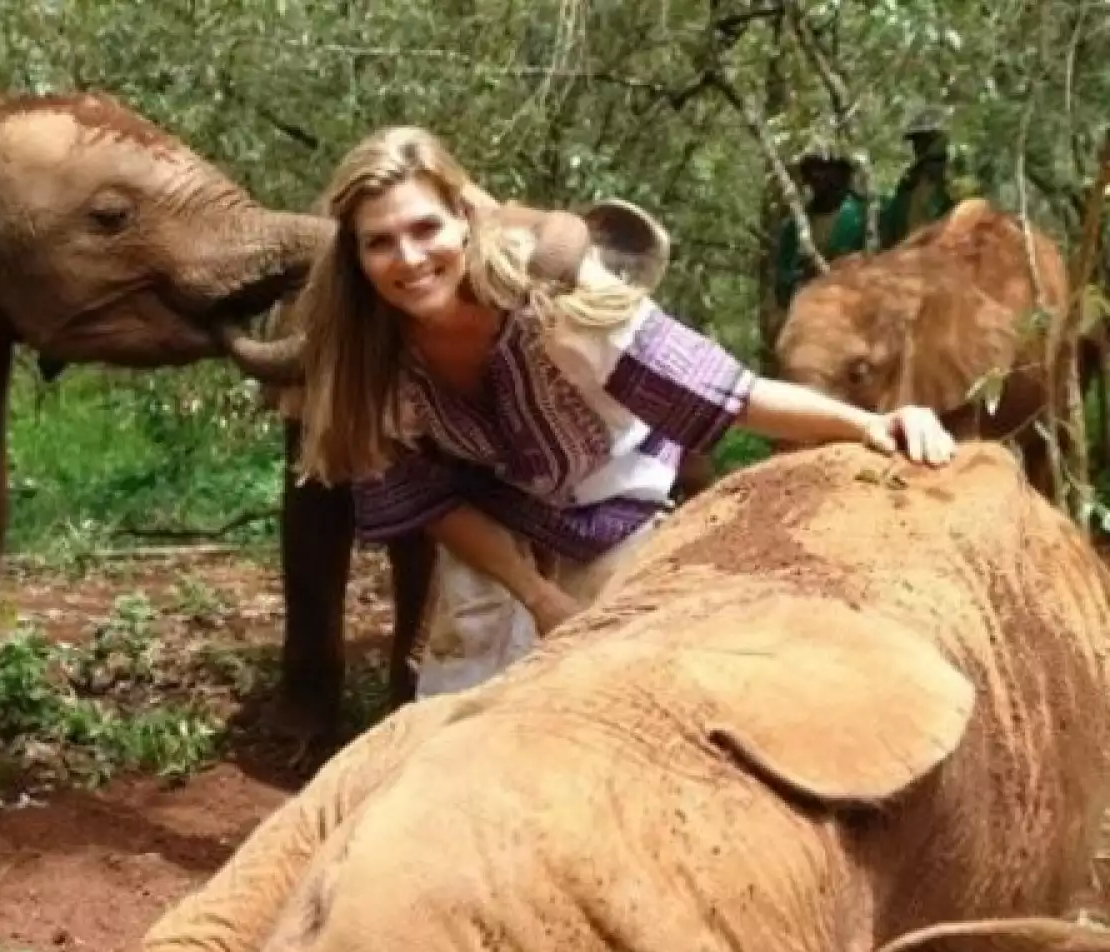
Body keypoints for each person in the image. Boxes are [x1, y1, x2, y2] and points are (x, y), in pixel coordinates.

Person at [290, 125, 957, 697]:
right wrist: (536, 593)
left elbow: (727, 393)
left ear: (463, 219)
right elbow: (431, 498)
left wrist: (870, 424)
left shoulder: (560, 297)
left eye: (425, 227)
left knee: (616, 688)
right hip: (493, 515)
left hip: (617, 499)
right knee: (458, 698)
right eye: (380, 242)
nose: (409, 258)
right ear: (354, 256)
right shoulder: (362, 359)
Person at [773, 151, 868, 310]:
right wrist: (802, 277)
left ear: (842, 173)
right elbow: (782, 284)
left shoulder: (866, 215)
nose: (816, 176)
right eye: (811, 169)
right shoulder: (793, 228)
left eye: (824, 169)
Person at [880, 107, 957, 248]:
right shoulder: (909, 181)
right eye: (917, 142)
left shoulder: (954, 181)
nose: (918, 147)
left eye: (925, 141)